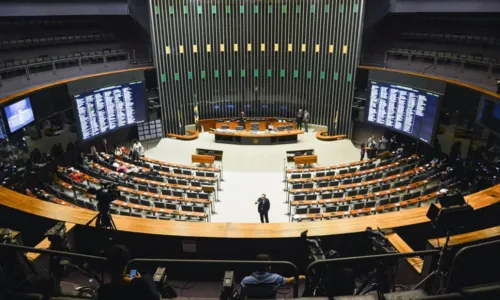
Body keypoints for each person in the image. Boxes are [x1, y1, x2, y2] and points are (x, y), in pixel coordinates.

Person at [240, 254, 305, 298]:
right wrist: (305, 277)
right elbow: (291, 280)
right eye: (269, 264)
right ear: (266, 267)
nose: (271, 265)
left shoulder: (245, 281)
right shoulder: (275, 278)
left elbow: (242, 296)